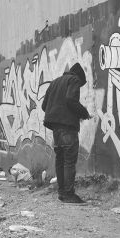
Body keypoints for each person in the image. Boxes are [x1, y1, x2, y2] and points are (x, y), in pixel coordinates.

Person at [41, 63, 92, 205]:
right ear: (79, 77)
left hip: (55, 128)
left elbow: (44, 106)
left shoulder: (55, 82)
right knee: (69, 161)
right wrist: (84, 113)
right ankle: (69, 194)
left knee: (60, 160)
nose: (79, 86)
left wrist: (57, 113)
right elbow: (71, 100)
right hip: (67, 127)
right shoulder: (74, 80)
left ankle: (62, 193)